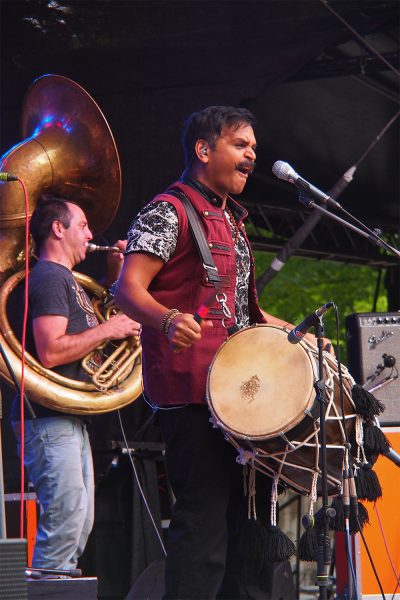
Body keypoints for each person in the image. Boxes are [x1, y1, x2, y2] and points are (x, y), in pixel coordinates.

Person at [115, 106, 332, 599]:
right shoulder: (166, 210)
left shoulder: (231, 219)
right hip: (194, 399)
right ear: (203, 149)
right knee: (204, 531)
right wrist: (168, 318)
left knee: (247, 534)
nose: (253, 154)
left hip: (241, 400)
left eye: (254, 146)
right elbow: (128, 288)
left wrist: (303, 335)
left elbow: (245, 317)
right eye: (241, 144)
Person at [10, 197, 140, 573]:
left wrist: (114, 278)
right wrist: (110, 328)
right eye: (82, 225)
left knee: (78, 524)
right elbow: (51, 350)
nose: (91, 234)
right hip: (49, 419)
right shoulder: (50, 276)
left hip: (66, 417)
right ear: (57, 229)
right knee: (66, 524)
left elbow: (87, 326)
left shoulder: (65, 280)